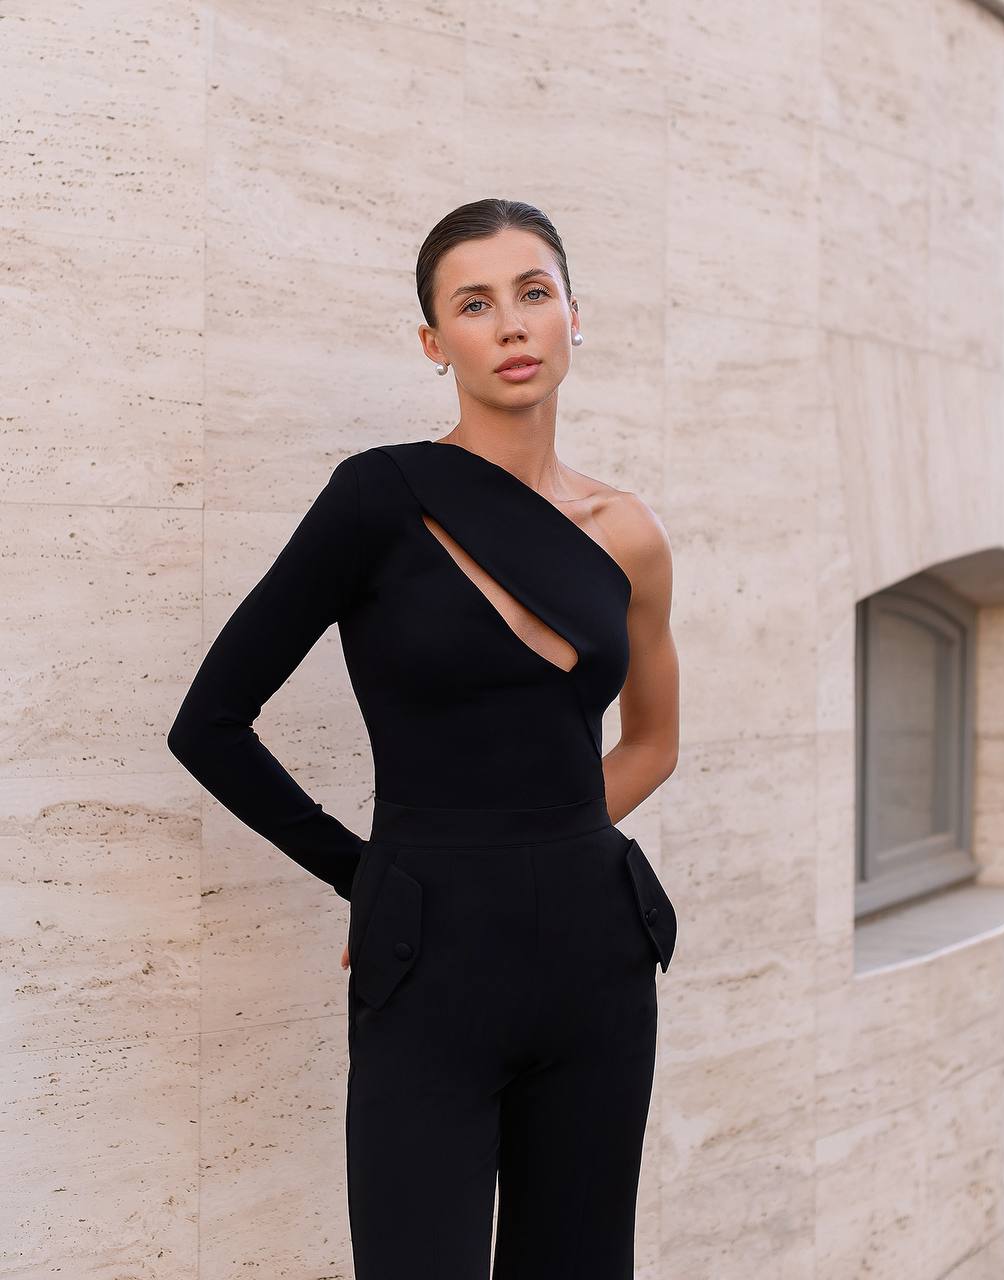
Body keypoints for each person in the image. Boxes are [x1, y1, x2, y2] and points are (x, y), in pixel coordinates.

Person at [167, 197, 680, 1280]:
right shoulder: (377, 498)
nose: (510, 324)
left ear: (573, 317)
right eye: (474, 302)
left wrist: (557, 839)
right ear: (432, 340)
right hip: (427, 960)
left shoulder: (628, 532)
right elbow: (209, 724)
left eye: (533, 293)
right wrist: (370, 875)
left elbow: (651, 744)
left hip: (598, 958)